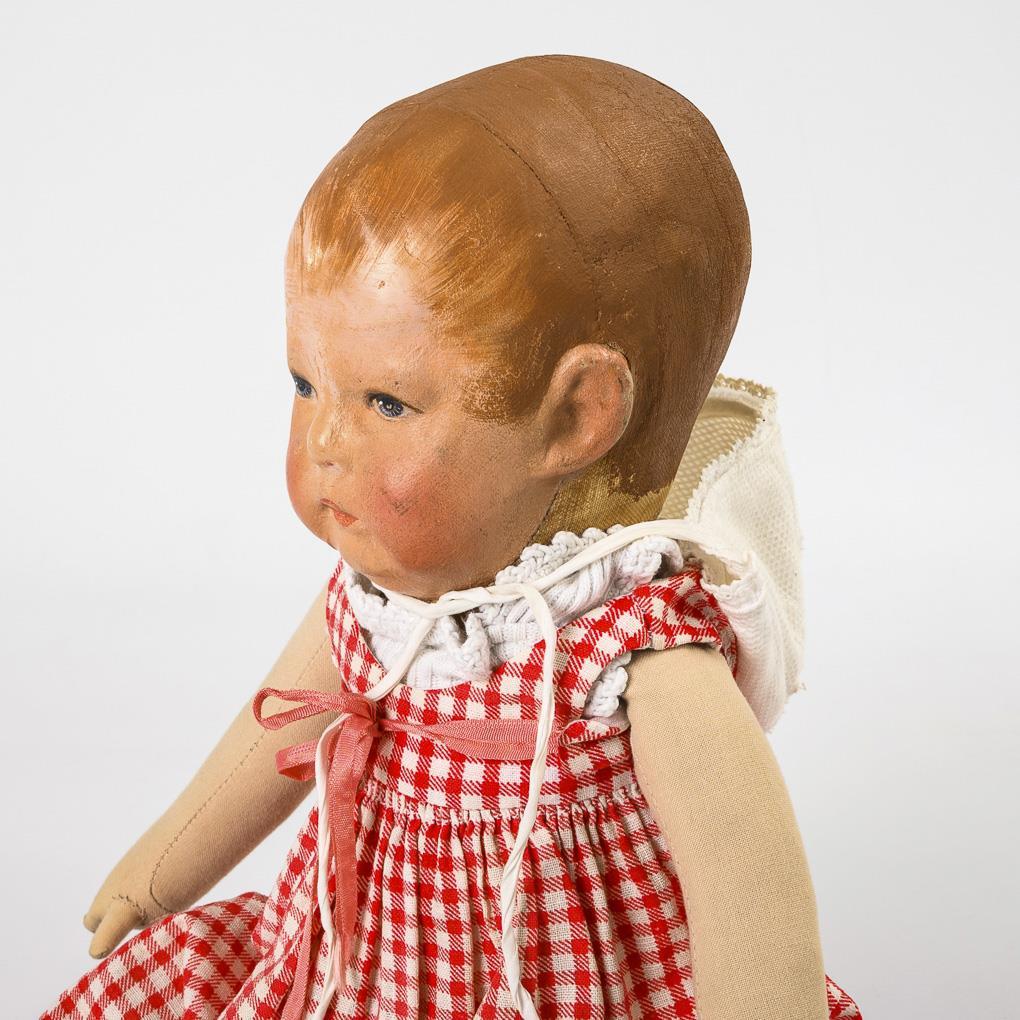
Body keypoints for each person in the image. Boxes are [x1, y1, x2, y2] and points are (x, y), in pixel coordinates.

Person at [42, 55, 861, 1019]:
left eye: (386, 402)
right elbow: (281, 724)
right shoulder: (381, 602)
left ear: (578, 417)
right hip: (360, 970)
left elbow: (747, 881)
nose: (325, 443)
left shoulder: (628, 649)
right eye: (305, 384)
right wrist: (165, 865)